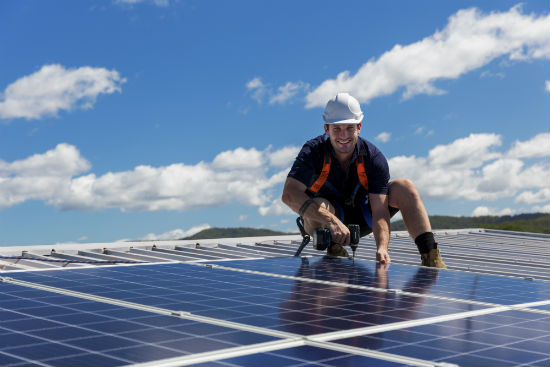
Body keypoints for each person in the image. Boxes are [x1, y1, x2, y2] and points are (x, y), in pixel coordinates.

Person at [281, 92, 446, 268]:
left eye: (350, 128)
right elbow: (289, 195)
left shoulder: (373, 158)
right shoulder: (313, 152)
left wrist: (382, 248)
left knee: (405, 187)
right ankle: (335, 248)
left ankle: (431, 256)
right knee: (320, 204)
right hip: (326, 221)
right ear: (326, 129)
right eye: (337, 129)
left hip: (364, 216)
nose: (343, 136)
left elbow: (380, 211)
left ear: (359, 127)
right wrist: (332, 221)